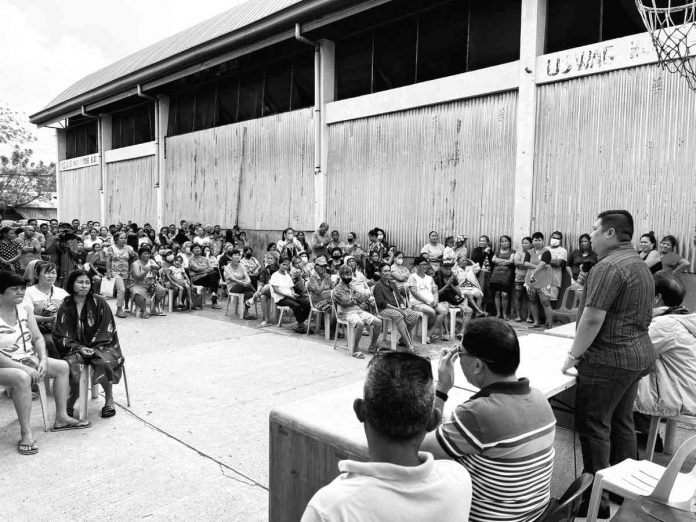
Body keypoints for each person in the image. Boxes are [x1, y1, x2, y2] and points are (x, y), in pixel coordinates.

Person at [561, 210, 656, 519]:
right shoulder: (638, 263)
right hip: (635, 356)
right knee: (621, 421)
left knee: (594, 425)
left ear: (611, 234)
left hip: (609, 359)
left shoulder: (610, 266)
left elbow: (592, 317)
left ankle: (596, 501)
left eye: (595, 230)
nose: (592, 236)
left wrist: (573, 355)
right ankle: (625, 492)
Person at [301, 351, 472, 522]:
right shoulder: (458, 481)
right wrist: (441, 390)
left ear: (360, 411)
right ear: (433, 420)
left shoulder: (330, 509)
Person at [422, 317, 556, 522]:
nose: (458, 357)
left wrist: (441, 390)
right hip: (535, 515)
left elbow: (421, 451)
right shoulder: (539, 398)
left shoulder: (477, 414)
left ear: (477, 365)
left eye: (460, 352)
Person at [0, 271, 91, 455]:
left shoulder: (24, 309)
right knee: (22, 377)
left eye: (22, 289)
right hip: (6, 364)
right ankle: (26, 433)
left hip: (27, 358)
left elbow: (38, 338)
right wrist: (24, 366)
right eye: (14, 289)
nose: (20, 292)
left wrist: (41, 359)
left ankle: (61, 418)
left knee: (62, 366)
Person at [634, 273, 696, 448]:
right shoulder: (680, 316)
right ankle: (643, 435)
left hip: (684, 395)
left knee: (624, 380)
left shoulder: (665, 325)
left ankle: (637, 438)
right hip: (687, 387)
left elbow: (634, 353)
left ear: (657, 298)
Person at [53, 270, 125, 419]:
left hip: (103, 345)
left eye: (87, 282)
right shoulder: (65, 306)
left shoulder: (100, 302)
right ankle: (72, 399)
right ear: (72, 284)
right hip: (75, 347)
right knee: (72, 363)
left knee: (103, 360)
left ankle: (109, 399)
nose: (84, 286)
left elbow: (107, 328)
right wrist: (79, 348)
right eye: (80, 282)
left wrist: (93, 348)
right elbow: (60, 334)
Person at [332, 265, 382, 358]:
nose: (349, 276)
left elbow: (358, 299)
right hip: (345, 313)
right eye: (346, 274)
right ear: (341, 275)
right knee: (360, 324)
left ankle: (372, 346)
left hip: (356, 310)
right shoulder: (337, 290)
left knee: (378, 322)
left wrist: (363, 297)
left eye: (350, 274)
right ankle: (355, 349)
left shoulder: (351, 286)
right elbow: (346, 302)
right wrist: (357, 299)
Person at [22, 261, 69, 359]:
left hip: (61, 328)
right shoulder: (28, 292)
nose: (51, 276)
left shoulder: (62, 293)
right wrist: (48, 319)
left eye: (53, 273)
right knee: (52, 341)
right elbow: (26, 316)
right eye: (47, 272)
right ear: (37, 275)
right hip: (38, 330)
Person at [373, 263, 420, 352]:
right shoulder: (378, 286)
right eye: (385, 271)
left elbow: (399, 298)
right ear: (380, 273)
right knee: (398, 315)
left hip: (397, 307)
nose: (387, 273)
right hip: (384, 309)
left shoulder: (393, 284)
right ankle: (409, 344)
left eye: (388, 271)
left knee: (415, 315)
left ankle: (402, 339)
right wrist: (397, 309)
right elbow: (382, 303)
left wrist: (402, 306)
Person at [408, 255, 448, 343]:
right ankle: (426, 332)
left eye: (426, 264)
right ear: (416, 266)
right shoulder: (412, 277)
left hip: (431, 302)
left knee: (444, 311)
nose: (425, 266)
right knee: (431, 311)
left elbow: (435, 291)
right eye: (422, 264)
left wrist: (436, 300)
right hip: (418, 303)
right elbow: (414, 292)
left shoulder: (429, 278)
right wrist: (427, 301)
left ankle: (428, 333)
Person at [270, 258, 310, 333]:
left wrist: (293, 293)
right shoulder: (275, 275)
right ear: (279, 264)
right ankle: (300, 324)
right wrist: (287, 295)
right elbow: (275, 290)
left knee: (307, 304)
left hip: (290, 296)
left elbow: (291, 287)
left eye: (287, 265)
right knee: (297, 306)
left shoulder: (287, 275)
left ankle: (299, 322)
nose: (285, 267)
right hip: (280, 299)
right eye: (283, 264)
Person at [433, 259, 472, 337]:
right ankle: (446, 332)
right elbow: (437, 293)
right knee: (445, 308)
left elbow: (459, 293)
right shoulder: (436, 279)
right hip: (442, 299)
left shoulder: (453, 278)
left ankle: (462, 332)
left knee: (469, 310)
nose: (448, 270)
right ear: (441, 268)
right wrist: (446, 285)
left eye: (449, 268)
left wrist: (451, 285)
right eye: (446, 268)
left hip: (454, 298)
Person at [526, 232, 554, 330]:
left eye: (539, 240)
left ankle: (550, 324)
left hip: (544, 280)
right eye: (535, 240)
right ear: (532, 242)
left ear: (543, 241)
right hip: (531, 280)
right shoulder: (529, 252)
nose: (537, 242)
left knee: (545, 301)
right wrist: (536, 269)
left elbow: (543, 263)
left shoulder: (546, 252)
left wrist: (535, 270)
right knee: (532, 301)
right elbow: (525, 263)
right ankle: (536, 322)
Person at [128, 245, 167, 318]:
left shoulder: (151, 261)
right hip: (137, 284)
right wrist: (147, 270)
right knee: (137, 293)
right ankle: (144, 310)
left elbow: (158, 267)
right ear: (140, 255)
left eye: (148, 254)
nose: (147, 255)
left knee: (162, 290)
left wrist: (152, 267)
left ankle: (155, 307)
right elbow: (138, 277)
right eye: (145, 253)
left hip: (151, 283)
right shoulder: (135, 264)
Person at [105, 232, 134, 318]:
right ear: (116, 239)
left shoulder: (128, 248)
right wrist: (109, 272)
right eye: (121, 238)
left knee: (123, 291)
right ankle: (119, 310)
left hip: (125, 272)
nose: (123, 239)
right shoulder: (111, 248)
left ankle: (121, 307)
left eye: (125, 238)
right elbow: (107, 261)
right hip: (115, 272)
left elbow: (133, 257)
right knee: (121, 290)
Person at [223, 249, 255, 319]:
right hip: (232, 287)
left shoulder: (241, 265)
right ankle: (256, 293)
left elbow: (247, 276)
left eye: (238, 255)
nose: (237, 256)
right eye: (235, 255)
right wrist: (244, 283)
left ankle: (246, 312)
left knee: (249, 293)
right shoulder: (227, 268)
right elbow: (233, 279)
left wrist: (248, 281)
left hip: (244, 286)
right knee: (248, 287)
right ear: (231, 257)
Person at [46, 223, 80, 287]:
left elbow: (75, 255)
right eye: (62, 228)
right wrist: (56, 242)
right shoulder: (52, 238)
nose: (65, 230)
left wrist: (69, 248)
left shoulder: (73, 240)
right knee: (55, 286)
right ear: (59, 230)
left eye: (67, 228)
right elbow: (48, 251)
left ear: (70, 230)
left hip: (69, 267)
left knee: (67, 287)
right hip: (55, 265)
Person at [490, 235, 515, 320]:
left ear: (509, 242)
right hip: (496, 275)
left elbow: (511, 261)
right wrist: (505, 261)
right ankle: (498, 313)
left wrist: (499, 261)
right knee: (497, 294)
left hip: (506, 276)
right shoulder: (497, 251)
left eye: (505, 241)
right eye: (502, 241)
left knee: (504, 295)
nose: (503, 243)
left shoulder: (512, 252)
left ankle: (504, 314)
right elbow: (493, 260)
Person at [189, 243, 222, 309]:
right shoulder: (191, 260)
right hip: (197, 279)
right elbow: (196, 268)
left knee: (214, 273)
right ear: (192, 251)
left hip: (207, 278)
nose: (197, 249)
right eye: (195, 248)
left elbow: (211, 267)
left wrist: (201, 270)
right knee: (214, 277)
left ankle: (213, 294)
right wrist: (205, 269)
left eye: (198, 248)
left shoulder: (205, 259)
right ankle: (214, 300)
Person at [307, 255, 334, 322]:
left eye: (324, 266)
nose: (323, 268)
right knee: (333, 307)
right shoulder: (313, 277)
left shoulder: (327, 275)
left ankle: (332, 328)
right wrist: (324, 280)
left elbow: (333, 288)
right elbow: (318, 291)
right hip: (318, 301)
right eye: (321, 266)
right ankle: (330, 329)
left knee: (339, 306)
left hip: (328, 299)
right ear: (316, 266)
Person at [513, 237, 532, 322]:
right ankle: (518, 316)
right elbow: (516, 263)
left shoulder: (533, 253)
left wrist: (523, 264)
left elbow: (536, 263)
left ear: (531, 244)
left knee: (530, 298)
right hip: (519, 278)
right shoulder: (518, 253)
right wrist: (528, 264)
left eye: (526, 243)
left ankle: (529, 317)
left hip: (530, 278)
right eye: (523, 243)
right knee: (518, 297)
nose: (524, 245)